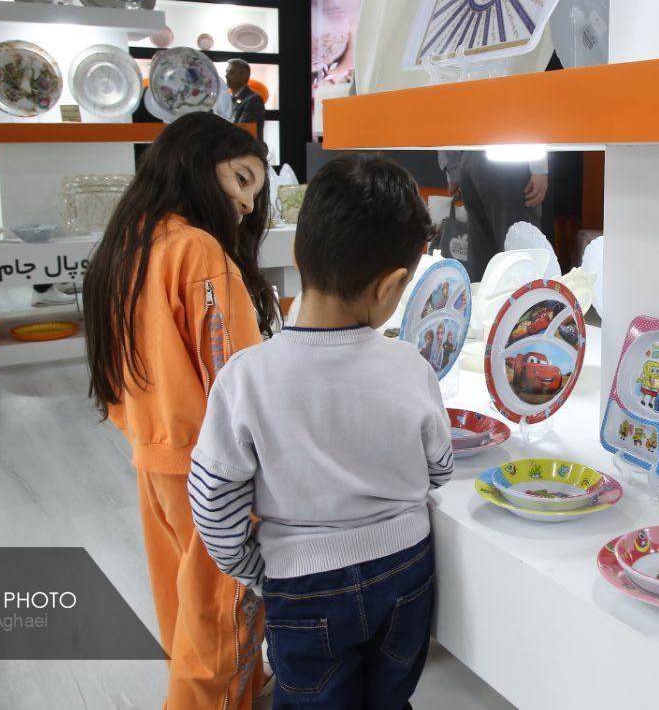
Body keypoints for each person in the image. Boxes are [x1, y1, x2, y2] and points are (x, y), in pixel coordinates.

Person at [189, 153, 452, 708]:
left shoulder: (245, 377)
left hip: (302, 582)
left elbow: (213, 502)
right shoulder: (411, 367)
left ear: (297, 252)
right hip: (405, 568)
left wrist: (257, 571)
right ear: (392, 286)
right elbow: (440, 468)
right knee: (389, 697)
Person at [82, 112, 280, 709]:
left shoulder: (130, 241)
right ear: (196, 163)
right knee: (223, 623)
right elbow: (235, 377)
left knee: (185, 611)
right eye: (240, 179)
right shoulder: (197, 249)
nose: (247, 204)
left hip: (153, 455)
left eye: (254, 190)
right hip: (212, 470)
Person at [437, 150, 548, 281]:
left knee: (483, 259)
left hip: (470, 159)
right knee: (521, 256)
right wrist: (539, 167)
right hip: (510, 160)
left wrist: (454, 171)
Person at [225, 58, 266, 125]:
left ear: (244, 76)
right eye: (226, 72)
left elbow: (243, 129)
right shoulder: (227, 99)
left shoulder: (254, 100)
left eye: (231, 72)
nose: (226, 76)